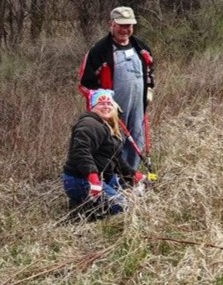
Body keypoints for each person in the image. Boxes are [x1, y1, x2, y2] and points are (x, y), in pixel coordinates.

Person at [77, 6, 155, 170]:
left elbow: (150, 70)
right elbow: (85, 83)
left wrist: (149, 90)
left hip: (138, 106)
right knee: (112, 145)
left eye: (129, 25)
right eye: (121, 25)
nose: (125, 30)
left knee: (136, 141)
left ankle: (130, 178)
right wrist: (102, 103)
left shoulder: (141, 48)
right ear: (111, 24)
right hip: (111, 111)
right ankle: (110, 180)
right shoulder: (99, 51)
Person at [62, 89, 143, 220]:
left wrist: (135, 175)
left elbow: (115, 158)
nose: (106, 106)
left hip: (102, 177)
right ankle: (83, 213)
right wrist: (94, 182)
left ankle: (89, 204)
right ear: (92, 107)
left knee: (136, 196)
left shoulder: (106, 126)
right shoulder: (89, 124)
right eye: (101, 104)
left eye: (109, 103)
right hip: (81, 179)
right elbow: (81, 152)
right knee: (122, 206)